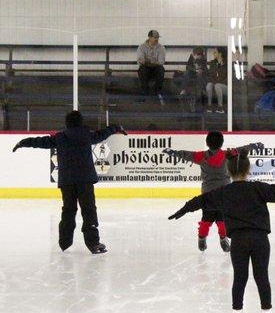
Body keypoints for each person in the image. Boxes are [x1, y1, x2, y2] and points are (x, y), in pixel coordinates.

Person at [168, 149, 275, 313]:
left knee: (239, 278)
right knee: (262, 277)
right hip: (260, 240)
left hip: (239, 241)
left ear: (228, 171)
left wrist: (183, 210)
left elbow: (200, 201)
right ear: (248, 169)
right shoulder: (259, 188)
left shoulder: (223, 192)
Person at [12, 111, 127, 254]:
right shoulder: (87, 135)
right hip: (85, 180)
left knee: (68, 210)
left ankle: (64, 242)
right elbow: (103, 133)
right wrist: (116, 127)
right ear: (81, 122)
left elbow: (40, 141)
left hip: (67, 181)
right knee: (89, 210)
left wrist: (23, 142)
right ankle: (93, 243)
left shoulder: (60, 138)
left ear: (67, 123)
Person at [163, 131, 264, 252]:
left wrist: (173, 152)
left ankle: (201, 238)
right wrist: (255, 145)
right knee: (222, 220)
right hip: (224, 194)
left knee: (206, 219)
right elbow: (242, 149)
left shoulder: (201, 156)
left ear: (207, 143)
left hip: (208, 194)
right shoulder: (228, 154)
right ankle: (223, 238)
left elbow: (186, 155)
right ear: (221, 143)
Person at [137, 29, 166, 105]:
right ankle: (144, 92)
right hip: (146, 68)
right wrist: (153, 62)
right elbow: (141, 61)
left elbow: (161, 62)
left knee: (161, 70)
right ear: (149, 37)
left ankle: (157, 92)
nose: (156, 39)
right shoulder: (142, 47)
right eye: (154, 37)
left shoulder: (161, 48)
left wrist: (148, 62)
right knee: (142, 70)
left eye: (157, 37)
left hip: (156, 68)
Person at [206, 47, 227, 114]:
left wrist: (217, 82)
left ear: (220, 54)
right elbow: (210, 75)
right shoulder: (212, 63)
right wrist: (215, 82)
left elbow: (228, 78)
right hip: (215, 84)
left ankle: (220, 108)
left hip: (225, 86)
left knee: (217, 85)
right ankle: (209, 106)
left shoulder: (227, 64)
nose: (213, 53)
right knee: (209, 85)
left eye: (215, 52)